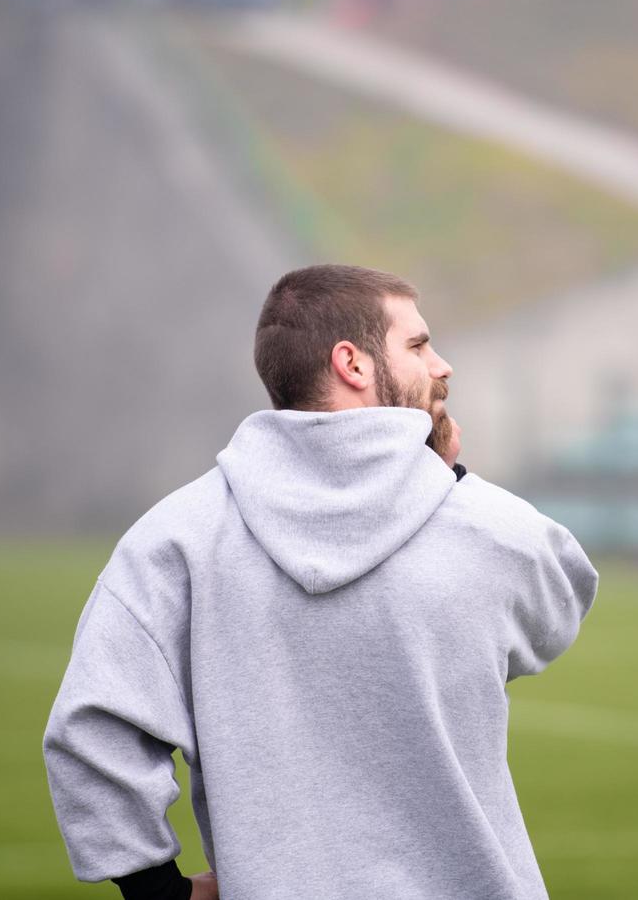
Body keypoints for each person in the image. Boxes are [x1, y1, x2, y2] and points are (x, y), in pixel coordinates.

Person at [43, 264, 599, 900]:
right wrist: (447, 476)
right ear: (352, 364)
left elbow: (91, 730)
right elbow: (561, 601)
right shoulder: (483, 527)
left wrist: (157, 893)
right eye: (418, 345)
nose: (442, 365)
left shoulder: (175, 537)